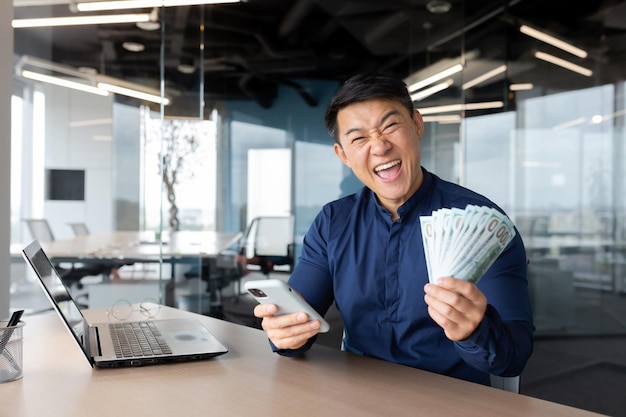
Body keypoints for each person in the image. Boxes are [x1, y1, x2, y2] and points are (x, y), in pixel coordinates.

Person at [253, 73, 534, 386]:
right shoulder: (333, 222)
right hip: (357, 394)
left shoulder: (482, 224)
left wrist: (474, 331)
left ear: (416, 124)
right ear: (343, 155)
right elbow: (298, 322)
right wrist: (284, 335)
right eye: (359, 138)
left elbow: (514, 357)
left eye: (390, 126)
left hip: (450, 397)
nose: (379, 146)